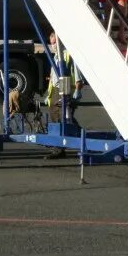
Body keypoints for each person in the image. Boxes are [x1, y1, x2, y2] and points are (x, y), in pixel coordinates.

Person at [44, 30, 85, 159]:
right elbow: (53, 79)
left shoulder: (68, 55)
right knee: (61, 119)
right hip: (55, 92)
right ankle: (79, 141)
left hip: (66, 90)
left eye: (55, 42)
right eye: (51, 43)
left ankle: (60, 149)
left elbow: (77, 76)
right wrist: (48, 95)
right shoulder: (56, 56)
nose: (53, 46)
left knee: (64, 120)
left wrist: (77, 89)